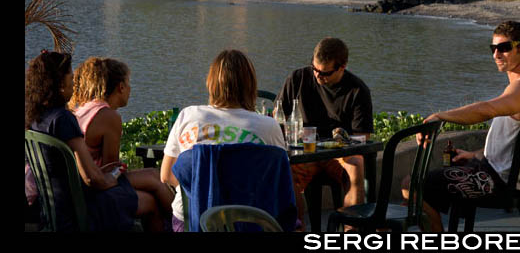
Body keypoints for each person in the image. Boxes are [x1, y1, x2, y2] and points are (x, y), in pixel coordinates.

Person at [402, 21, 520, 232]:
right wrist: (475, 154)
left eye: (505, 48)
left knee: (411, 185)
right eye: (493, 48)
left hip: (498, 185)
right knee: (423, 188)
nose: (496, 55)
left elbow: (487, 109)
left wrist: (441, 116)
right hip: (498, 176)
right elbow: (514, 145)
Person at [25, 50, 162, 231]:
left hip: (46, 204)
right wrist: (114, 176)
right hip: (76, 208)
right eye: (71, 78)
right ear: (58, 83)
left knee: (145, 187)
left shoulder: (34, 116)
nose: (74, 84)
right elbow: (93, 179)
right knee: (150, 202)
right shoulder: (63, 119)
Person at [160, 49, 286, 232]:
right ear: (251, 85)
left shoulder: (188, 116)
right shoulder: (268, 126)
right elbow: (279, 181)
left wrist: (206, 189)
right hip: (252, 220)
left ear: (211, 83)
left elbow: (166, 175)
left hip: (194, 219)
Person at [277, 37, 373, 231]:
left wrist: (340, 142)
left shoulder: (357, 90)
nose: (318, 76)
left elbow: (363, 137)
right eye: (315, 69)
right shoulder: (298, 78)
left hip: (338, 154)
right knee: (283, 170)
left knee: (356, 165)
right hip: (305, 152)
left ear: (342, 67)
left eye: (325, 73)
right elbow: (278, 116)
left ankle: (350, 229)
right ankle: (298, 228)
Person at [68, 57, 174, 225]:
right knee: (154, 184)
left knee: (153, 177)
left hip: (79, 183)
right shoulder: (108, 116)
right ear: (121, 87)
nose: (130, 89)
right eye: (128, 83)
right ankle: (186, 225)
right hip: (92, 188)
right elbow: (110, 168)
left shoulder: (83, 108)